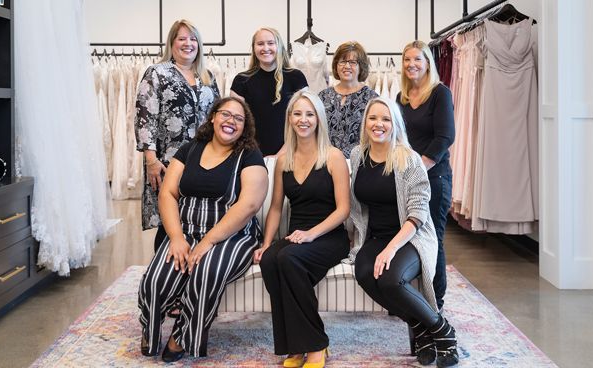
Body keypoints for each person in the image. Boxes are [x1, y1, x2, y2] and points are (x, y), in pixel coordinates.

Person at [137, 97, 268, 362]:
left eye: (238, 118)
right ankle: (150, 326)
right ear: (213, 117)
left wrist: (208, 241)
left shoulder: (250, 154)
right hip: (186, 231)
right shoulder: (190, 149)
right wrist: (175, 237)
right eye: (225, 114)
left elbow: (250, 204)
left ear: (245, 127)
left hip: (232, 235)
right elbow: (168, 194)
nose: (230, 121)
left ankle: (183, 335)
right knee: (156, 279)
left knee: (206, 271)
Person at [349, 97, 459, 367]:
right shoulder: (357, 156)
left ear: (395, 124)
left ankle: (442, 330)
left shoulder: (407, 159)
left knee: (391, 280)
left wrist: (391, 248)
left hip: (410, 236)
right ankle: (421, 328)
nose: (378, 124)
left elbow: (419, 212)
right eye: (373, 118)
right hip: (375, 236)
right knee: (364, 273)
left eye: (385, 119)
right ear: (365, 123)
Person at [254, 90, 350, 368]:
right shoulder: (283, 160)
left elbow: (343, 210)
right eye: (297, 114)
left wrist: (311, 234)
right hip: (297, 237)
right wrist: (266, 243)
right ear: (290, 119)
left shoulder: (333, 157)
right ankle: (295, 347)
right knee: (272, 259)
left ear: (318, 119)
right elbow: (275, 208)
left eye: (309, 114)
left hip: (329, 236)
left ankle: (317, 344)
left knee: (288, 258)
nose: (303, 119)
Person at [135, 19, 220, 251]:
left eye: (193, 39)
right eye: (181, 38)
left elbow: (219, 116)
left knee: (196, 216)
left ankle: (191, 268)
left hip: (203, 160)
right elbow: (145, 117)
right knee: (168, 219)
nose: (188, 44)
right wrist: (151, 161)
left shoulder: (207, 76)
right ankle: (163, 273)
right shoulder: (157, 73)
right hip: (167, 161)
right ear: (172, 43)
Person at [396, 40, 455, 310]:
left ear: (428, 63)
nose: (411, 64)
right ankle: (408, 295)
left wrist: (418, 169)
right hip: (407, 177)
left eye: (417, 59)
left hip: (434, 178)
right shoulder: (401, 98)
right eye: (407, 60)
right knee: (407, 236)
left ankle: (436, 301)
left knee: (432, 238)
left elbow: (445, 137)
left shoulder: (440, 93)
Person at [231, 27, 308, 156]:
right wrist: (253, 154)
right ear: (254, 48)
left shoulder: (296, 77)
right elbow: (236, 123)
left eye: (271, 43)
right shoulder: (241, 81)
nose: (265, 48)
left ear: (279, 46)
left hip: (291, 152)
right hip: (251, 153)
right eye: (260, 44)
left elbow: (304, 121)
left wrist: (279, 155)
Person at [318, 41, 378, 158]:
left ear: (361, 66)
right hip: (326, 161)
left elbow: (373, 136)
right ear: (336, 65)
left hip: (360, 163)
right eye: (342, 62)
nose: (347, 66)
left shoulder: (372, 98)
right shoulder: (323, 96)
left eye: (352, 62)